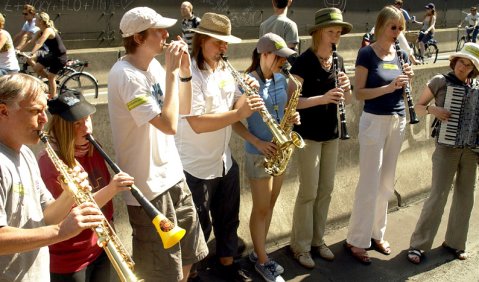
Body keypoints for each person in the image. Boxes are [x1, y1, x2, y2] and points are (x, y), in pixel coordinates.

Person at [107, 6, 208, 282]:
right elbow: (168, 124)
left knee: (188, 256)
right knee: (161, 271)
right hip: (148, 188)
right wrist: (172, 74)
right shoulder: (125, 75)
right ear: (138, 38)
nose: (167, 34)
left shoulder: (152, 65)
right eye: (159, 30)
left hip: (173, 176)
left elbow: (182, 109)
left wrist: (184, 72)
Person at [174, 12, 263, 282]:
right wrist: (238, 114)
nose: (225, 48)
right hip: (195, 166)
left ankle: (227, 264)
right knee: (197, 227)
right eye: (219, 42)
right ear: (202, 40)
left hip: (223, 160)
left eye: (226, 43)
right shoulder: (188, 73)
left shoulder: (225, 68)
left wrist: (249, 92)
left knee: (228, 219)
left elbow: (236, 101)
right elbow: (198, 123)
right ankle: (192, 275)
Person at [0, 73, 104, 281]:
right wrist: (59, 232)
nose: (44, 119)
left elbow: (45, 216)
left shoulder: (26, 154)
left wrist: (70, 194)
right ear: (3, 111)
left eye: (44, 110)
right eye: (35, 111)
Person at [37, 90, 134, 281]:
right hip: (70, 259)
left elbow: (101, 191)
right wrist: (112, 189)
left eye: (88, 119)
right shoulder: (49, 163)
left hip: (100, 245)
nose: (87, 129)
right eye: (77, 124)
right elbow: (71, 213)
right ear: (63, 128)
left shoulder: (91, 146)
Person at [345, 5, 414, 265]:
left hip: (398, 120)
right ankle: (357, 239)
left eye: (400, 28)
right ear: (380, 26)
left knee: (386, 182)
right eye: (392, 27)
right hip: (374, 121)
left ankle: (377, 233)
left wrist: (407, 77)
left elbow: (402, 85)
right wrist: (388, 87)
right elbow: (359, 93)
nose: (397, 33)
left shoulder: (400, 54)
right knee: (369, 182)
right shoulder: (366, 54)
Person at [288, 7, 353, 269]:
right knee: (308, 191)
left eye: (338, 32)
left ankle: (318, 240)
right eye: (331, 31)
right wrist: (323, 98)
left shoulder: (338, 61)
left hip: (331, 133)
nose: (336, 36)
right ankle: (300, 245)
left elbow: (346, 100)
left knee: (326, 189)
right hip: (309, 135)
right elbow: (293, 103)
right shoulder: (303, 61)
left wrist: (346, 89)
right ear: (318, 33)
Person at [231, 33, 297, 282]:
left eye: (284, 58)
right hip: (259, 155)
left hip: (280, 151)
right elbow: (234, 121)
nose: (282, 62)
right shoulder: (247, 82)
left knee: (269, 206)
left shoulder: (282, 79)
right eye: (278, 57)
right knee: (260, 208)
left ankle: (260, 252)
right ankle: (261, 260)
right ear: (264, 54)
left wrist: (291, 120)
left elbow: (284, 111)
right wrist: (257, 142)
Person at [407, 42, 479, 264]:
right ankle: (419, 246)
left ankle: (455, 243)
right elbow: (417, 106)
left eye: (468, 65)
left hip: (471, 151)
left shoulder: (476, 87)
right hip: (446, 148)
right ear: (454, 61)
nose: (462, 68)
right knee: (437, 196)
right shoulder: (440, 81)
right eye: (460, 62)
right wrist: (432, 110)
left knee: (465, 198)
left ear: (473, 69)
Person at [24, 11, 67, 99]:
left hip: (59, 57)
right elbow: (31, 41)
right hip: (52, 55)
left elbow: (40, 42)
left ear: (41, 21)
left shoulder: (48, 30)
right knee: (36, 68)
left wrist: (32, 53)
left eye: (36, 19)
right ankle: (48, 81)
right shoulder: (40, 31)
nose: (34, 20)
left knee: (51, 78)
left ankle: (52, 97)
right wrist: (18, 49)